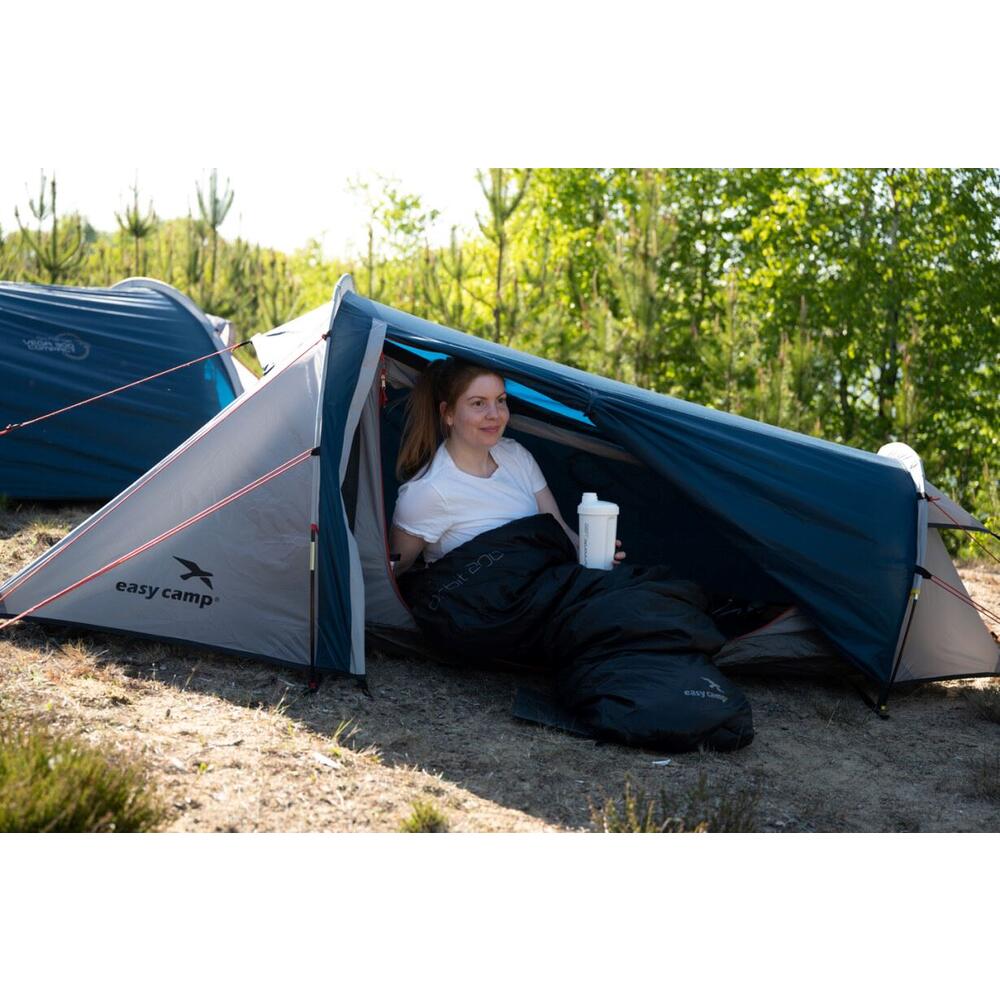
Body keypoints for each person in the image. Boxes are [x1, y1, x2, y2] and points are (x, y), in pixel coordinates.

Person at [390, 358, 625, 577]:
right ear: (448, 413)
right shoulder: (428, 492)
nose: (495, 414)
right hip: (489, 604)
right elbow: (391, 573)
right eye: (478, 403)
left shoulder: (516, 456)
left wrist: (592, 551)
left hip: (549, 585)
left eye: (501, 401)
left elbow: (561, 531)